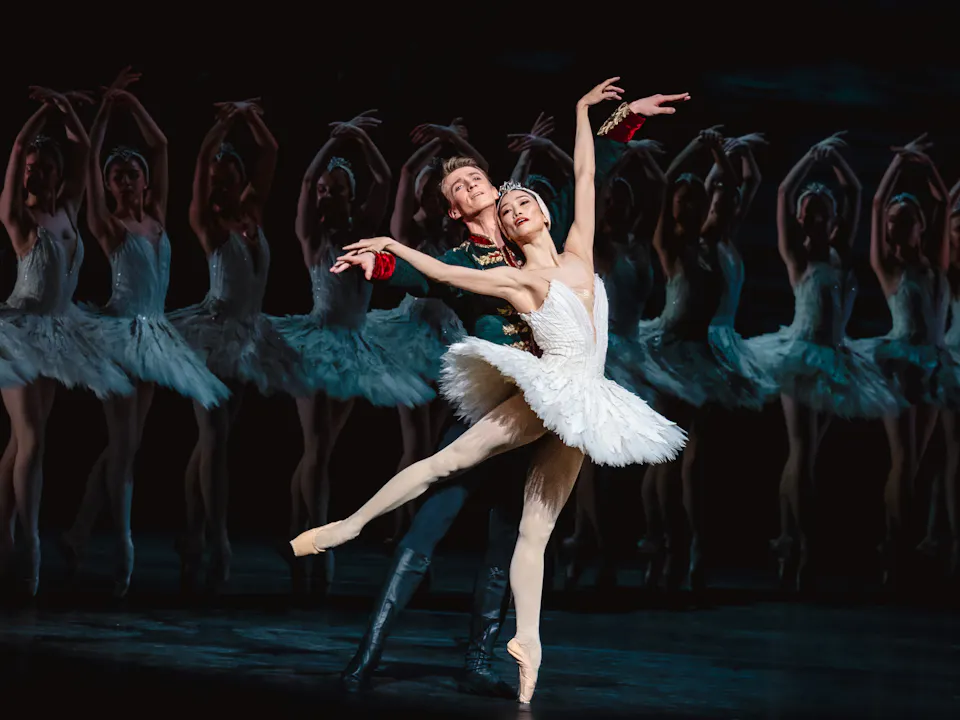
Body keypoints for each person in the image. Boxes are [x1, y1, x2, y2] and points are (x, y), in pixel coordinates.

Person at [292, 78, 689, 705]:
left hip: (559, 410)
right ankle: (366, 654)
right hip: (498, 404)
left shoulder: (540, 235)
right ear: (454, 208)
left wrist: (619, 118)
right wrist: (382, 262)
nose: (476, 187)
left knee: (513, 541)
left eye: (481, 179)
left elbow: (593, 173)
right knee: (431, 521)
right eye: (460, 187)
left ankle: (483, 658)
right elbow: (430, 276)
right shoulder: (475, 264)